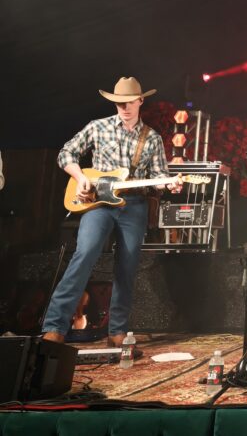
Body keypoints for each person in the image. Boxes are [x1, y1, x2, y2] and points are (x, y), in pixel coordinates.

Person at [41, 77, 182, 347]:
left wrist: (170, 184)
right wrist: (80, 177)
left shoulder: (150, 138)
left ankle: (117, 332)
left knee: (127, 267)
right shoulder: (98, 127)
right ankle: (55, 327)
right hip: (99, 204)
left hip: (134, 205)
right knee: (84, 255)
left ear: (140, 101)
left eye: (128, 102)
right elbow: (66, 154)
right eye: (118, 103)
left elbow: (159, 178)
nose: (124, 108)